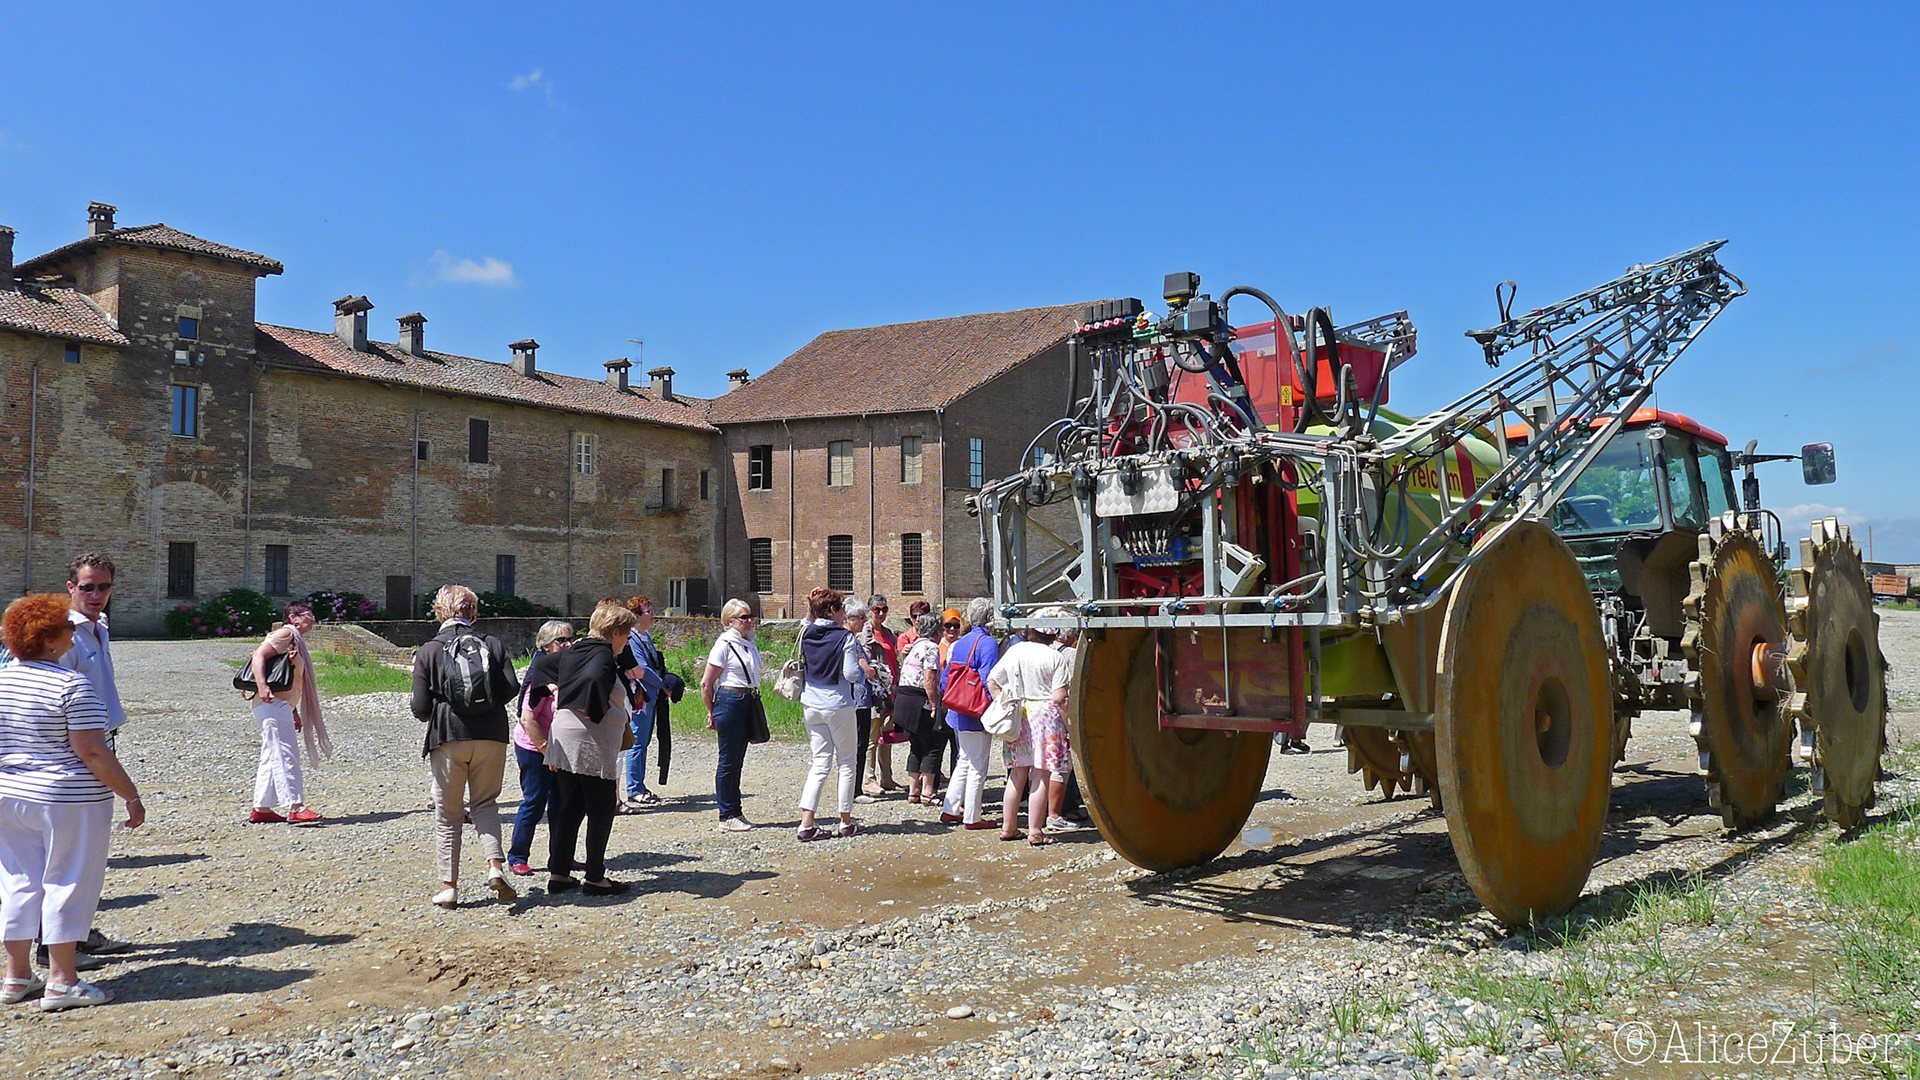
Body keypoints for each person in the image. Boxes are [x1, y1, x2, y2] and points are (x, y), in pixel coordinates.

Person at [0, 593, 144, 1011]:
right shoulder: (70, 684)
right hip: (67, 798)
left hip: (10, 794)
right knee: (68, 880)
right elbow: (94, 752)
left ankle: (16, 976)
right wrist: (131, 795)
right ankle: (62, 981)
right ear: (49, 641)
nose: (72, 635)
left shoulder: (3, 680)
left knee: (18, 881)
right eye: (66, 629)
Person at [412, 585, 522, 909]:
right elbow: (511, 687)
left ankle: (449, 888)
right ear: (473, 613)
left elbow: (419, 707)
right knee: (485, 803)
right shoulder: (493, 644)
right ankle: (495, 868)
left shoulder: (429, 650)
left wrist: (445, 706)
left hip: (448, 736)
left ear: (439, 613)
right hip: (491, 735)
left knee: (448, 815)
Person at [55, 553, 132, 962]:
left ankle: (77, 932)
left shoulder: (100, 626)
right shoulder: (63, 634)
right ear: (71, 587)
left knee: (93, 847)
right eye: (88, 586)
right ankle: (58, 945)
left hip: (102, 742)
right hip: (78, 751)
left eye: (104, 587)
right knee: (71, 850)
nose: (96, 594)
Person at [546, 602, 638, 895]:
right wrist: (594, 709)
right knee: (601, 807)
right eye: (626, 635)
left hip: (564, 733)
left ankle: (559, 873)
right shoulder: (603, 655)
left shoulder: (575, 649)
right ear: (614, 632)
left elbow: (543, 667)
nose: (628, 640)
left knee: (570, 806)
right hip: (589, 740)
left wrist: (568, 700)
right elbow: (596, 677)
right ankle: (595, 878)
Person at [247, 600, 332, 826]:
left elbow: (290, 678)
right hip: (272, 702)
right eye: (307, 614)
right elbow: (258, 655)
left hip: (278, 704)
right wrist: (263, 686)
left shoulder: (295, 640)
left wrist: (293, 710)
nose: (312, 619)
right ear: (293, 618)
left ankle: (262, 808)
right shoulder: (285, 633)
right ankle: (295, 806)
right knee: (286, 752)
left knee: (271, 753)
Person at [989, 624, 1070, 845]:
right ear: (1053, 633)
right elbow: (1059, 697)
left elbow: (992, 680)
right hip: (1045, 716)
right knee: (1041, 774)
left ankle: (1009, 827)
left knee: (1017, 773)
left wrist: (1004, 704)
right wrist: (1069, 724)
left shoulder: (1016, 650)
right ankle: (1035, 831)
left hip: (1019, 713)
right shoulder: (1055, 657)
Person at [506, 620, 574, 876]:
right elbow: (527, 719)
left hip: (558, 747)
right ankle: (517, 857)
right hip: (534, 746)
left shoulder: (563, 668)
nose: (568, 644)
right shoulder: (539, 674)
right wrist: (547, 751)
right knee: (534, 802)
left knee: (562, 803)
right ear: (546, 647)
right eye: (561, 641)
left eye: (569, 639)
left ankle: (561, 857)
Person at [796, 587, 863, 841]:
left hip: (811, 703)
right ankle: (845, 821)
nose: (845, 612)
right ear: (833, 611)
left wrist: (811, 603)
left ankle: (807, 823)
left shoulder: (807, 631)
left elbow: (806, 620)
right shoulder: (845, 637)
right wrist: (865, 672)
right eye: (842, 608)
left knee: (820, 763)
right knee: (847, 762)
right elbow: (851, 674)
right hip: (837, 703)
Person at [939, 598, 1001, 830]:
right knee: (978, 764)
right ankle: (972, 816)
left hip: (958, 708)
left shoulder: (961, 642)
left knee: (964, 759)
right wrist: (995, 711)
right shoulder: (987, 643)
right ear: (988, 618)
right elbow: (989, 681)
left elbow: (946, 678)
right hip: (976, 710)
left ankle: (951, 808)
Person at [701, 599, 761, 832]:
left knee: (737, 759)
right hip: (730, 700)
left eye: (749, 616)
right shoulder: (724, 643)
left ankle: (735, 811)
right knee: (728, 760)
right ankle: (726, 814)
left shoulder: (748, 643)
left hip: (746, 699)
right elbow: (707, 683)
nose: (748, 621)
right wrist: (711, 711)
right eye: (743, 617)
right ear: (730, 621)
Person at [620, 596, 668, 811]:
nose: (653, 614)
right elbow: (643, 669)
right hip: (641, 698)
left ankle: (638, 784)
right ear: (637, 617)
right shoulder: (632, 638)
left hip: (652, 695)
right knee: (637, 742)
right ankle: (634, 789)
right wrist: (663, 685)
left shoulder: (645, 636)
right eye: (648, 611)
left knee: (644, 741)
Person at [894, 612, 944, 805]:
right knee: (932, 745)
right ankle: (928, 792)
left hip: (904, 699)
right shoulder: (931, 647)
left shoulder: (914, 645)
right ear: (937, 630)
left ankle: (913, 791)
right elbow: (929, 677)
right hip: (918, 699)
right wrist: (934, 704)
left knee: (916, 745)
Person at [862, 595, 902, 795]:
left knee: (887, 736)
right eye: (877, 609)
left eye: (884, 609)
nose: (880, 613)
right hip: (875, 691)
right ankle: (870, 779)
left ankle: (887, 777)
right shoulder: (865, 634)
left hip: (892, 689)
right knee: (872, 736)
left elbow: (894, 659)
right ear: (870, 611)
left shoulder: (888, 633)